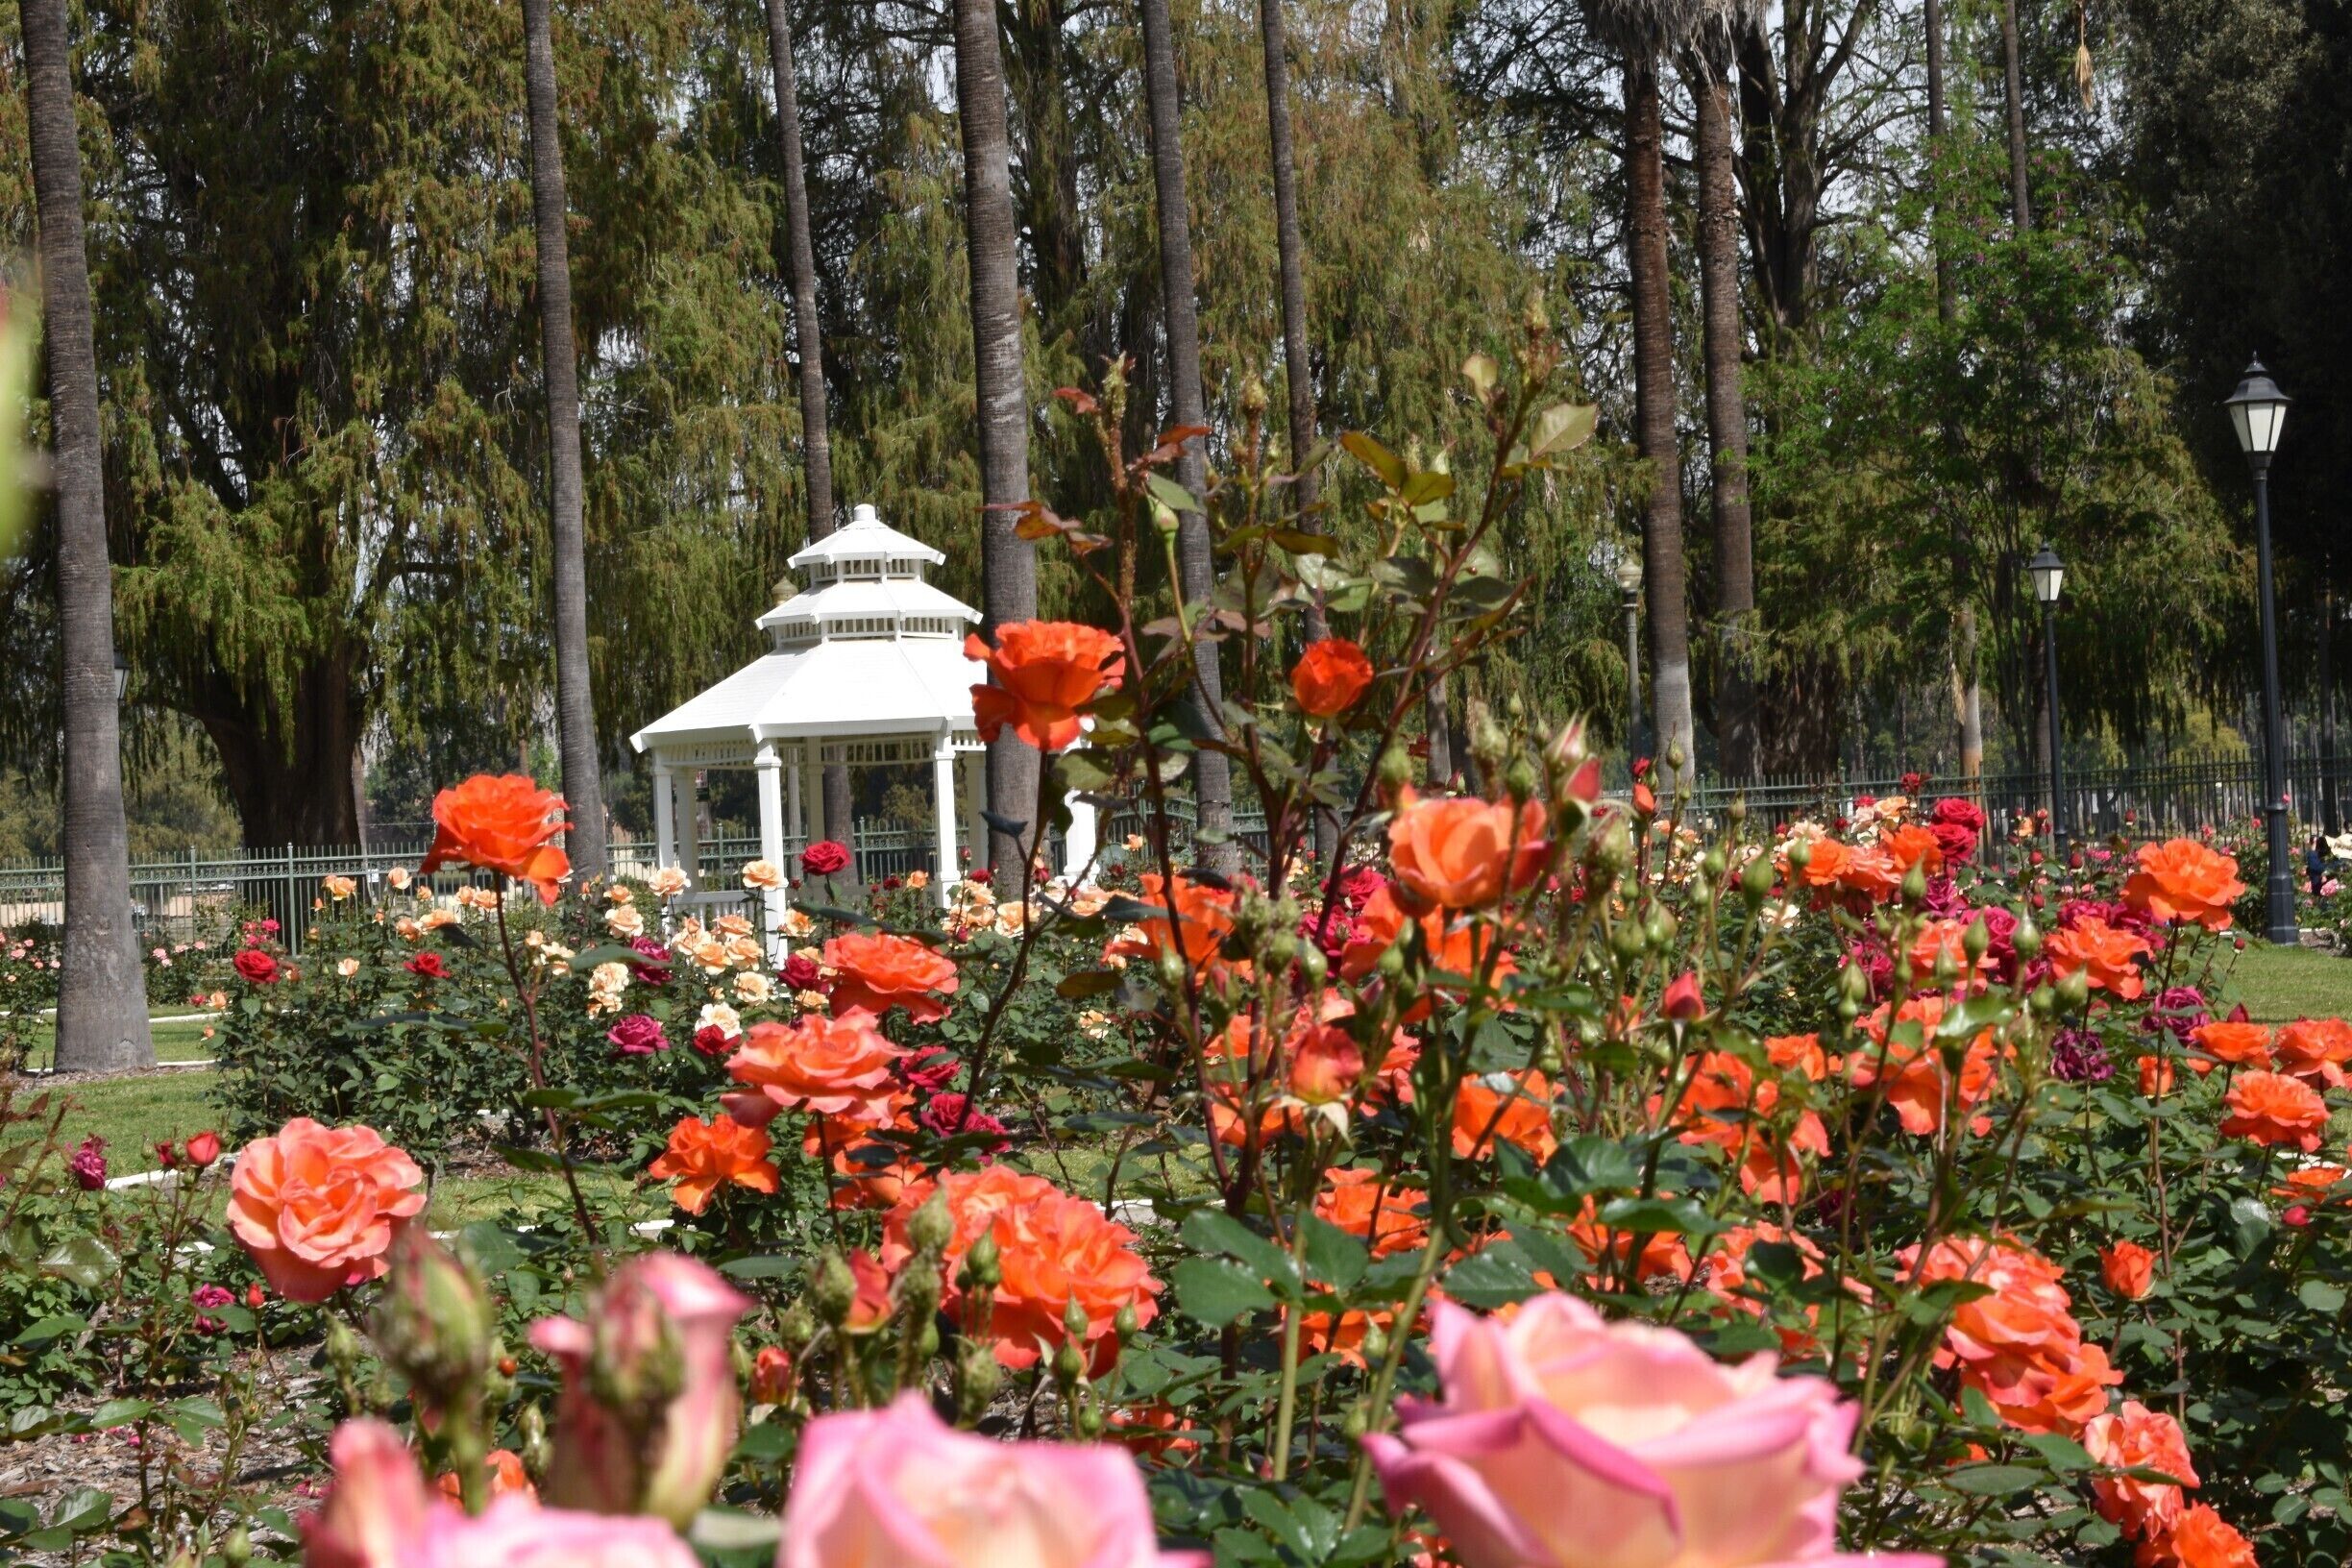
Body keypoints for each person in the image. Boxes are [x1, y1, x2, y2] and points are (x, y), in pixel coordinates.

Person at [2307, 834, 2330, 900]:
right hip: (2318, 885)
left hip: (2325, 885)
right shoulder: (2312, 854)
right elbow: (2315, 867)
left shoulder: (2315, 854)